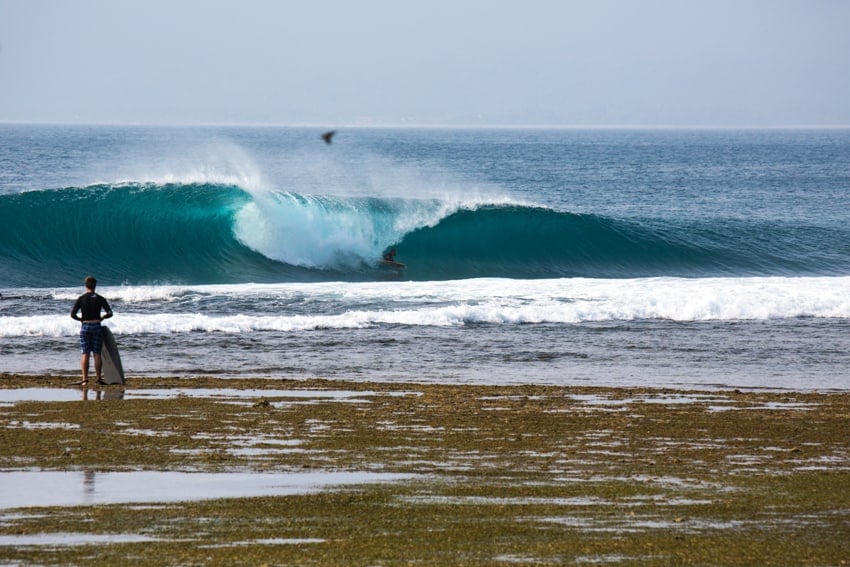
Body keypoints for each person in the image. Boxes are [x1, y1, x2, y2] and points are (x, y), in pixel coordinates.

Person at [70, 276, 113, 386]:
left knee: (85, 353)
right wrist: (103, 317)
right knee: (97, 353)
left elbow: (72, 314)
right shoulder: (100, 298)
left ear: (86, 285)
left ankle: (85, 380)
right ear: (95, 286)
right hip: (96, 326)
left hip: (85, 327)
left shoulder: (81, 298)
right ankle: (98, 379)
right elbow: (110, 313)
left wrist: (81, 320)